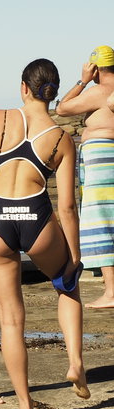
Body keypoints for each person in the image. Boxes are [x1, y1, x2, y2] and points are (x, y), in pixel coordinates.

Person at [0, 58, 90, 409]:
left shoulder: (0, 120)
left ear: (23, 88)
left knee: (11, 320)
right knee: (67, 286)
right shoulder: (62, 138)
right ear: (53, 92)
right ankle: (75, 361)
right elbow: (68, 207)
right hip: (37, 222)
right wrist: (74, 255)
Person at [55, 45, 114, 309]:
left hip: (102, 160)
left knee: (100, 221)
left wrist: (82, 80)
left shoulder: (99, 92)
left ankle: (111, 292)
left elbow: (62, 108)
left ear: (96, 68)